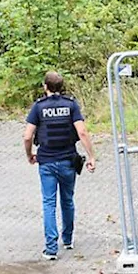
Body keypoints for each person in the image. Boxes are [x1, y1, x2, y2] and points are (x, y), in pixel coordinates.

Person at [23, 71, 96, 260]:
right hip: (67, 160)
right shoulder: (71, 105)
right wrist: (91, 156)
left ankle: (51, 248)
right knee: (67, 200)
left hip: (46, 161)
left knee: (49, 203)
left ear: (45, 86)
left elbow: (27, 136)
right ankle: (68, 239)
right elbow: (82, 132)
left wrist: (29, 154)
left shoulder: (38, 107)